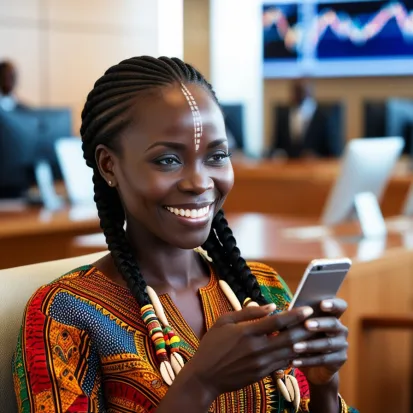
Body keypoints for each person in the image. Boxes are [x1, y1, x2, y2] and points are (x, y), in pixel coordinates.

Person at [12, 56, 358, 412]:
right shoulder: (65, 313)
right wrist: (199, 383)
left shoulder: (262, 288)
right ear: (108, 165)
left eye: (217, 156)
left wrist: (324, 387)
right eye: (168, 160)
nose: (200, 182)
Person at [270, 79, 343, 159]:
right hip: (288, 166)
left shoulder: (324, 116)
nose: (300, 95)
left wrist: (316, 157)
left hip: (317, 167)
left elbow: (333, 151)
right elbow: (276, 147)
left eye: (303, 91)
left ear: (310, 92)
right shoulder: (283, 116)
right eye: (297, 91)